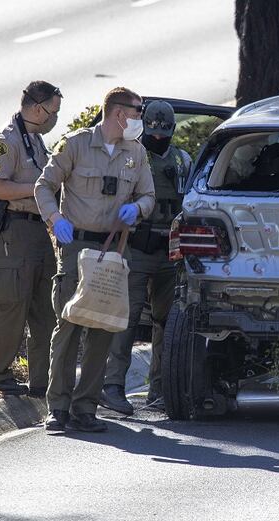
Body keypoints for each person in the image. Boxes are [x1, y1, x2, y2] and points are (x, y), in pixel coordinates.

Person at [35, 87, 155, 433]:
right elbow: (44, 186)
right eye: (137, 112)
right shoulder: (75, 145)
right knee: (69, 326)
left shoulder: (137, 153)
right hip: (76, 248)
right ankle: (57, 407)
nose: (139, 119)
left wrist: (138, 209)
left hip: (113, 249)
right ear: (119, 114)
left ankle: (85, 408)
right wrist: (55, 220)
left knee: (102, 327)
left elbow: (147, 194)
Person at [101, 100, 192, 415]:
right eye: (152, 132)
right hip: (135, 251)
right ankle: (113, 386)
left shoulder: (183, 161)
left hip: (170, 254)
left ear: (171, 131)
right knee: (125, 321)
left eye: (163, 133)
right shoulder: (130, 158)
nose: (157, 139)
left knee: (167, 324)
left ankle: (161, 390)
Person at [0, 81, 62, 397]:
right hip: (11, 232)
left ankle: (41, 380)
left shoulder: (36, 140)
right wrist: (37, 188)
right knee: (13, 305)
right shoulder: (6, 141)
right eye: (53, 110)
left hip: (36, 230)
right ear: (38, 108)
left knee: (45, 308)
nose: (55, 116)